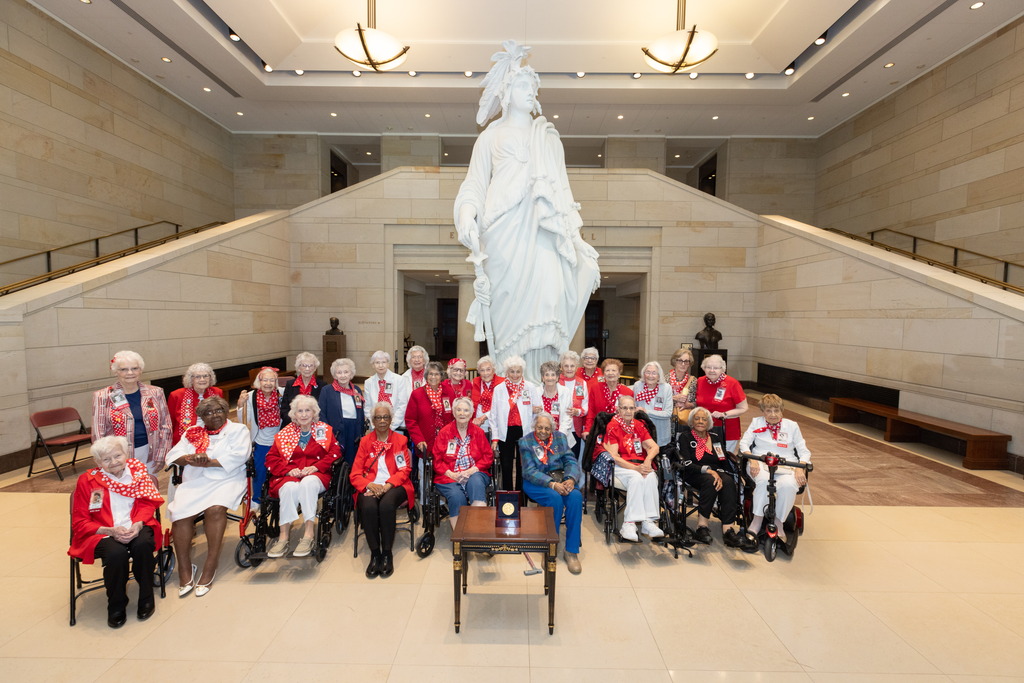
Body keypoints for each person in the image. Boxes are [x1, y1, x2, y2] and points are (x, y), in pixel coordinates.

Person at [454, 40, 599, 381]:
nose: (531, 91)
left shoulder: (547, 137)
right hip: (502, 236)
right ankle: (512, 389)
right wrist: (465, 214)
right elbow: (474, 184)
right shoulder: (490, 138)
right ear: (505, 91)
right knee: (507, 321)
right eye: (523, 84)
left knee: (550, 299)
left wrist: (576, 239)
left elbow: (562, 194)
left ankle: (543, 387)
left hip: (543, 232)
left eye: (534, 86)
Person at [69, 436, 163, 628]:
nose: (113, 462)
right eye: (106, 459)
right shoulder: (88, 481)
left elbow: (147, 503)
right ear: (97, 462)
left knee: (143, 544)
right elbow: (80, 521)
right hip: (102, 531)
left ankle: (146, 597)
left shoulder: (138, 473)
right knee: (116, 553)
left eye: (117, 455)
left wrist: (137, 525)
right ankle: (116, 605)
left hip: (136, 524)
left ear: (126, 454)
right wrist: (109, 531)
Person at [165, 397, 250, 597]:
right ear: (202, 417)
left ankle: (210, 566)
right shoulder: (193, 432)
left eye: (219, 410)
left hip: (227, 479)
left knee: (215, 509)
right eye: (209, 412)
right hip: (195, 481)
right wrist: (189, 458)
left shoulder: (238, 430)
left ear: (225, 411)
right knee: (180, 514)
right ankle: (185, 570)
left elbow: (240, 456)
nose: (216, 415)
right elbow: (173, 455)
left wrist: (206, 462)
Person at [265, 395, 342, 559]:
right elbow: (271, 458)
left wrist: (316, 466)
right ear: (294, 414)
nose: (304, 414)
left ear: (314, 413)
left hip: (317, 474)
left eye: (308, 410)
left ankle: (308, 535)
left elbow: (335, 453)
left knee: (307, 483)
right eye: (300, 411)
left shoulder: (324, 430)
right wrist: (286, 470)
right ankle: (283, 537)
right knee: (288, 488)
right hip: (290, 476)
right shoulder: (285, 433)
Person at [350, 403, 414, 578]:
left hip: (395, 485)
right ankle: (375, 553)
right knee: (369, 507)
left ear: (391, 419)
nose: (382, 421)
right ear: (372, 420)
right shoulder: (365, 441)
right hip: (370, 485)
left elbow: (404, 470)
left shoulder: (400, 441)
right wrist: (370, 485)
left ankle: (387, 553)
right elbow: (355, 473)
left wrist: (387, 486)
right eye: (378, 417)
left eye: (386, 417)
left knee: (386, 506)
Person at [675, 407, 753, 550]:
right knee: (710, 481)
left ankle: (728, 530)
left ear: (709, 422)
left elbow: (723, 460)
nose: (700, 421)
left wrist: (728, 474)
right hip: (694, 473)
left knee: (729, 482)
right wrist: (709, 471)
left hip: (716, 471)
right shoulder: (686, 437)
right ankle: (702, 526)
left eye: (704, 419)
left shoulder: (715, 439)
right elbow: (686, 462)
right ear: (691, 421)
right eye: (697, 418)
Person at [739, 394, 811, 545]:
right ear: (763, 412)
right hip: (760, 463)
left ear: (782, 411)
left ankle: (779, 523)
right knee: (764, 482)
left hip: (787, 465)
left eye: (776, 410)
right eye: (768, 411)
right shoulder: (756, 422)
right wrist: (752, 460)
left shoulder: (792, 426)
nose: (773, 414)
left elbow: (804, 451)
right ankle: (757, 521)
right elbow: (744, 444)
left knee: (788, 485)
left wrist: (800, 467)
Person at [519, 412, 583, 574]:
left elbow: (570, 460)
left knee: (576, 497)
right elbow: (529, 471)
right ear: (535, 426)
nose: (543, 431)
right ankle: (549, 548)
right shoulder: (526, 441)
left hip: (560, 478)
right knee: (555, 499)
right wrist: (552, 485)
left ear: (552, 429)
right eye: (540, 427)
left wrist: (570, 479)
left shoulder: (560, 438)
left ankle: (571, 551)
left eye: (547, 428)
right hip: (536, 482)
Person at [92, 350, 171, 475]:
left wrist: (161, 455)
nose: (130, 373)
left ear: (140, 370)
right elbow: (98, 433)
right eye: (123, 369)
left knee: (147, 491)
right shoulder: (103, 396)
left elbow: (166, 426)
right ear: (115, 371)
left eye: (134, 368)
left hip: (150, 453)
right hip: (117, 457)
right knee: (124, 492)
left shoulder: (156, 392)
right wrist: (107, 461)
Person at [602, 396, 664, 542]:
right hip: (620, 466)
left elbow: (655, 447)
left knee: (650, 476)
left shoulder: (639, 425)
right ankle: (628, 523)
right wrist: (636, 469)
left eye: (631, 408)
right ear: (618, 410)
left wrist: (648, 461)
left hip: (640, 464)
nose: (628, 411)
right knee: (636, 478)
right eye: (625, 408)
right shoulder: (613, 426)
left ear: (635, 409)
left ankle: (648, 521)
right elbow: (614, 457)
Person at [432, 397, 493, 530]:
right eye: (459, 410)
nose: (462, 413)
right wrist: (452, 475)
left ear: (471, 414)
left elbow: (488, 456)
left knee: (476, 483)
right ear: (453, 413)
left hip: (475, 472)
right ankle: (461, 537)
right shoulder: (444, 433)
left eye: (466, 410)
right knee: (456, 495)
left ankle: (479, 533)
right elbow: (437, 460)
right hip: (449, 475)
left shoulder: (479, 432)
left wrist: (472, 470)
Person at [487, 355, 541, 491]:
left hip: (525, 431)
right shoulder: (499, 389)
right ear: (506, 372)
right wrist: (494, 438)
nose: (515, 375)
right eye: (512, 371)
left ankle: (521, 497)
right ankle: (507, 496)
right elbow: (493, 415)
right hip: (506, 432)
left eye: (518, 371)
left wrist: (534, 409)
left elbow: (539, 409)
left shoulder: (529, 387)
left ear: (522, 371)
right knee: (506, 466)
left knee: (523, 466)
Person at [237, 367, 284, 507]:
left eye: (272, 380)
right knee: (259, 470)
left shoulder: (282, 393)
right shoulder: (251, 396)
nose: (268, 383)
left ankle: (277, 497)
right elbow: (244, 421)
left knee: (278, 470)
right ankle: (257, 499)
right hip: (260, 440)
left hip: (279, 440)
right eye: (265, 380)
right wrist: (240, 405)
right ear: (259, 381)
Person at [695, 354, 748, 454]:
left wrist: (724, 414)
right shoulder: (700, 381)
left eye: (715, 368)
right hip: (703, 430)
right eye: (708, 367)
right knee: (707, 458)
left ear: (722, 369)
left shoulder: (733, 383)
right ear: (704, 368)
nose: (712, 370)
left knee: (723, 459)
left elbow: (743, 408)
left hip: (726, 431)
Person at [318, 358, 365, 465]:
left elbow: (360, 413)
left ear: (351, 374)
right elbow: (321, 414)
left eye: (346, 372)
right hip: (336, 431)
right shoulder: (327, 390)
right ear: (334, 375)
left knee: (354, 460)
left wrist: (360, 432)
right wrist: (328, 434)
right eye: (339, 372)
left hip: (354, 430)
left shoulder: (356, 390)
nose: (343, 375)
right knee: (336, 460)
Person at [405, 361, 454, 461]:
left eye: (437, 374)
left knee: (445, 470)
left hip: (446, 440)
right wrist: (419, 440)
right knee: (425, 472)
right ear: (427, 376)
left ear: (441, 376)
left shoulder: (449, 392)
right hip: (425, 442)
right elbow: (410, 420)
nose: (433, 377)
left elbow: (454, 417)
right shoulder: (417, 394)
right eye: (431, 374)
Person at [167, 363, 223, 446]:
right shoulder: (176, 395)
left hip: (212, 436)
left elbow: (221, 417)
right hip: (185, 440)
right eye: (197, 377)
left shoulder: (217, 392)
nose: (202, 379)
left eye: (205, 376)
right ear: (190, 379)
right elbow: (169, 422)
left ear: (210, 378)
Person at [582, 358, 633, 441]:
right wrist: (587, 430)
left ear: (619, 373)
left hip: (620, 433)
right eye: (607, 370)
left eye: (614, 370)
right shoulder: (595, 388)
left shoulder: (628, 392)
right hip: (599, 431)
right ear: (603, 373)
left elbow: (630, 416)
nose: (610, 373)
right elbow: (591, 412)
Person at [363, 350, 409, 431]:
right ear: (373, 365)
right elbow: (367, 407)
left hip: (395, 427)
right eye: (377, 363)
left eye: (384, 362)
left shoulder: (399, 380)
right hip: (376, 428)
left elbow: (402, 405)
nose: (381, 365)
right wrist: (376, 424)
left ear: (388, 364)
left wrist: (391, 425)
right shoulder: (368, 382)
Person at [632, 361, 674, 447]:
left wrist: (645, 411)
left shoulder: (666, 388)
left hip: (661, 435)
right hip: (641, 433)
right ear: (644, 374)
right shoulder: (637, 386)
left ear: (659, 375)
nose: (650, 376)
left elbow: (668, 413)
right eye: (648, 372)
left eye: (654, 373)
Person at [558, 350, 588, 461]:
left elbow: (586, 406)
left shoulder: (582, 383)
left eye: (572, 366)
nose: (569, 369)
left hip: (575, 429)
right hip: (558, 428)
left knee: (573, 461)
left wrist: (578, 412)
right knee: (557, 461)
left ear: (576, 367)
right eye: (566, 366)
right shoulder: (555, 382)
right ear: (561, 367)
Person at [538, 360, 576, 448]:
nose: (550, 378)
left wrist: (560, 435)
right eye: (547, 374)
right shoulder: (536, 392)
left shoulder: (565, 391)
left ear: (557, 377)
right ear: (542, 377)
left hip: (561, 437)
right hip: (540, 438)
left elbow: (568, 416)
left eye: (553, 374)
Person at [281, 352, 322, 427]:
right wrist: (295, 421)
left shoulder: (322, 385)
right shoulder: (290, 385)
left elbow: (323, 410)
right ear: (298, 367)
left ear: (315, 368)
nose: (307, 369)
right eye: (304, 365)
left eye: (310, 366)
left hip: (314, 425)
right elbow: (284, 409)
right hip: (292, 424)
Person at [470, 355, 504, 434]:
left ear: (493, 370)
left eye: (488, 369)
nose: (485, 373)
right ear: (478, 371)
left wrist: (483, 417)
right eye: (482, 370)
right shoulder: (475, 381)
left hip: (495, 424)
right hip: (477, 424)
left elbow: (500, 406)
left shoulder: (502, 383)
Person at [668, 348, 698, 426]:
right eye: (680, 360)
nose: (683, 364)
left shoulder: (694, 381)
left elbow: (699, 402)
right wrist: (672, 398)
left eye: (686, 361)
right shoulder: (664, 379)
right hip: (668, 421)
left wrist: (689, 405)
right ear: (674, 361)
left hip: (686, 421)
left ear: (689, 363)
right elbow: (657, 399)